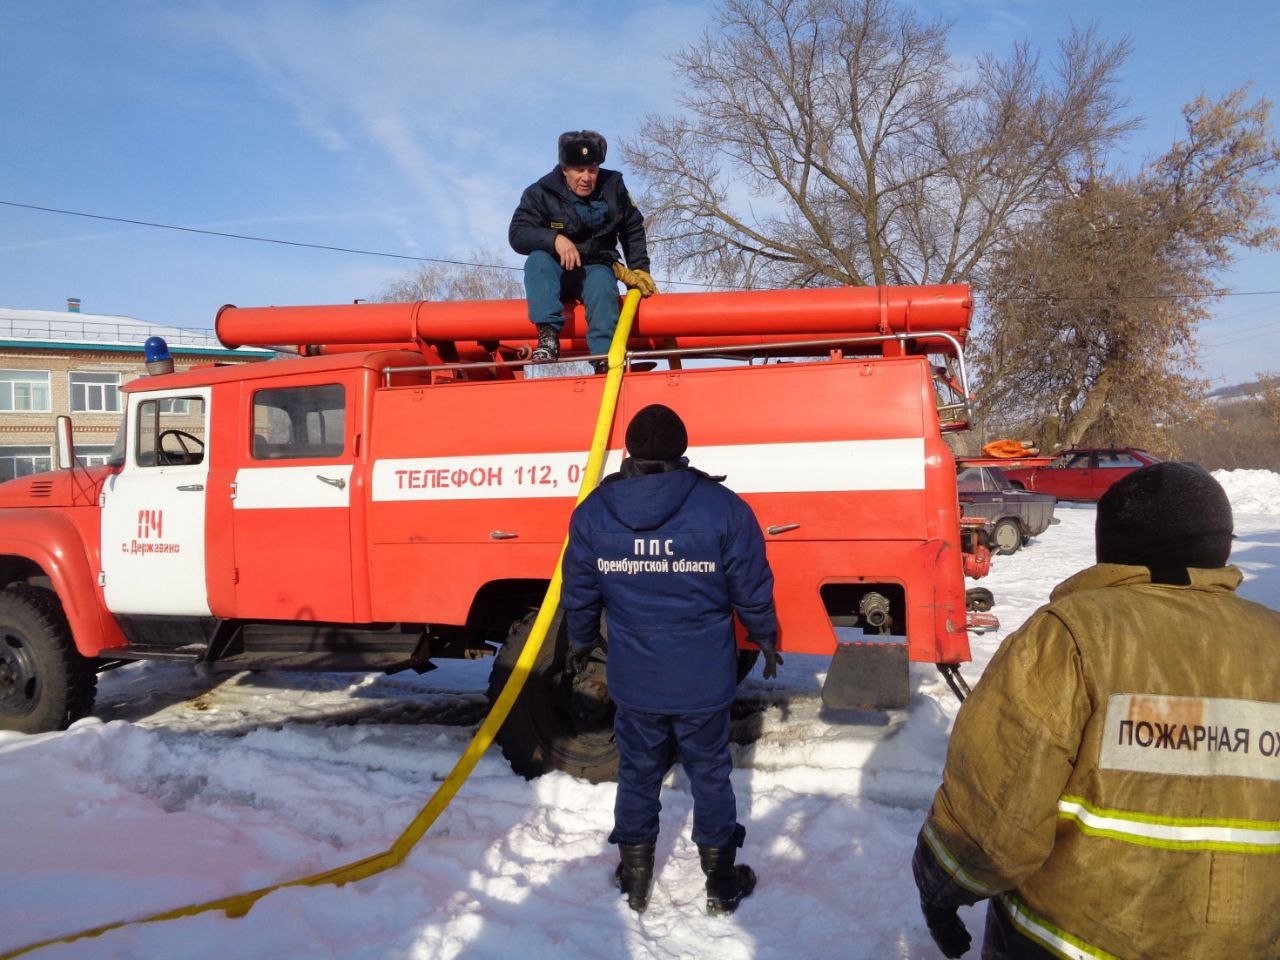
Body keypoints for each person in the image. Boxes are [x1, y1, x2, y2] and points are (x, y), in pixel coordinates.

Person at [912, 462, 1280, 959]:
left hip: (1070, 942)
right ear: (1222, 545)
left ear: (1111, 546)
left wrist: (942, 887)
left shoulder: (1072, 636)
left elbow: (995, 815)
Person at [561, 404, 781, 915]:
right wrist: (766, 637)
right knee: (709, 772)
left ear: (631, 451)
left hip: (635, 677)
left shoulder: (594, 511)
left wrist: (578, 642)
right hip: (703, 676)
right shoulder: (723, 507)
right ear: (681, 448)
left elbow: (580, 593)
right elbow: (751, 590)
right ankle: (721, 883)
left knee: (638, 771)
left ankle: (635, 881)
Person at [508, 130, 657, 373]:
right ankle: (547, 336)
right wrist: (554, 239)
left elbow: (632, 228)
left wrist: (640, 271)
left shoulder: (614, 186)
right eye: (579, 170)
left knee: (601, 282)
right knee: (537, 261)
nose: (586, 177)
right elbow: (518, 233)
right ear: (565, 169)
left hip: (595, 267)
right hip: (555, 272)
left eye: (592, 170)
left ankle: (604, 360)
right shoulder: (540, 192)